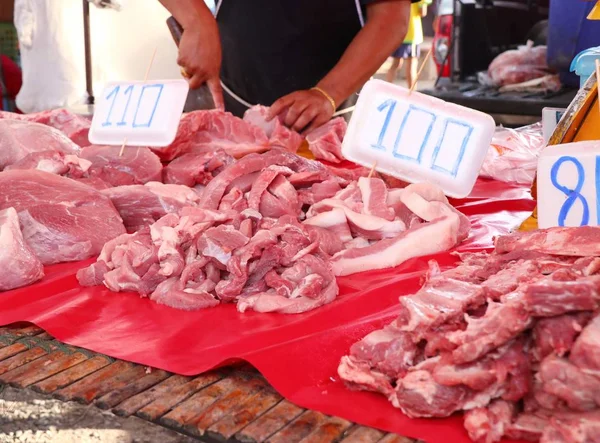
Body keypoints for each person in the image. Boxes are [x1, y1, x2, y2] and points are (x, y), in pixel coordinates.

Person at [159, 0, 418, 133]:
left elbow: (391, 16)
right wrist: (196, 20)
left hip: (328, 114)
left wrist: (328, 93)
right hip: (228, 97)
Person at [385, 0, 430, 89]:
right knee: (411, 66)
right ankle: (412, 93)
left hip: (398, 32)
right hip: (412, 34)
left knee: (395, 64)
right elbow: (422, 12)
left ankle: (387, 89)